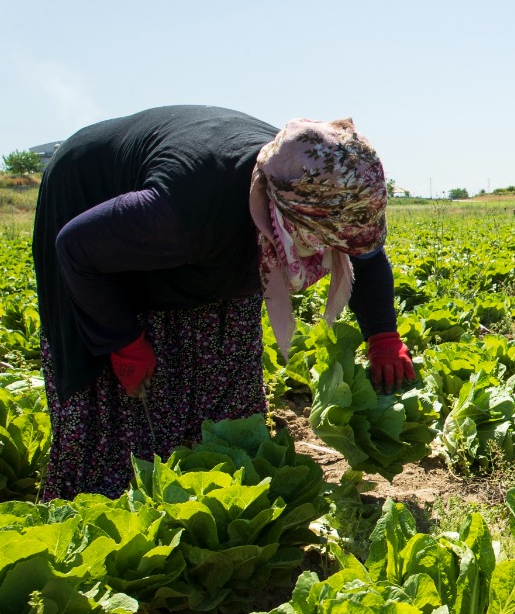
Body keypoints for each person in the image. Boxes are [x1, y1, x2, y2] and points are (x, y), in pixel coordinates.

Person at [32, 106, 412, 499]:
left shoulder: (325, 180)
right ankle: (117, 490)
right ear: (285, 217)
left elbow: (362, 250)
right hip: (92, 192)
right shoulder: (186, 209)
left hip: (202, 216)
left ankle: (211, 473)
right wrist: (121, 340)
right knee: (122, 391)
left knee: (223, 350)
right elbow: (76, 248)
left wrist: (383, 333)